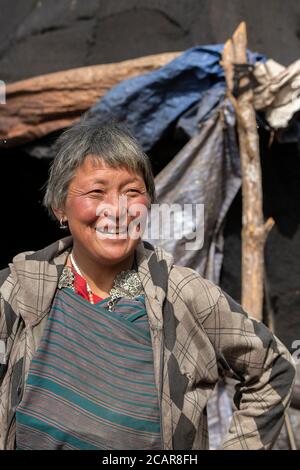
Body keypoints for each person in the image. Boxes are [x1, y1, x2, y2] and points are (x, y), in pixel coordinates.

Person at [0, 120, 296, 450]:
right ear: (60, 207)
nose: (117, 210)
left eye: (132, 192)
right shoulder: (17, 290)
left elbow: (274, 367)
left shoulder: (182, 295)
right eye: (96, 192)